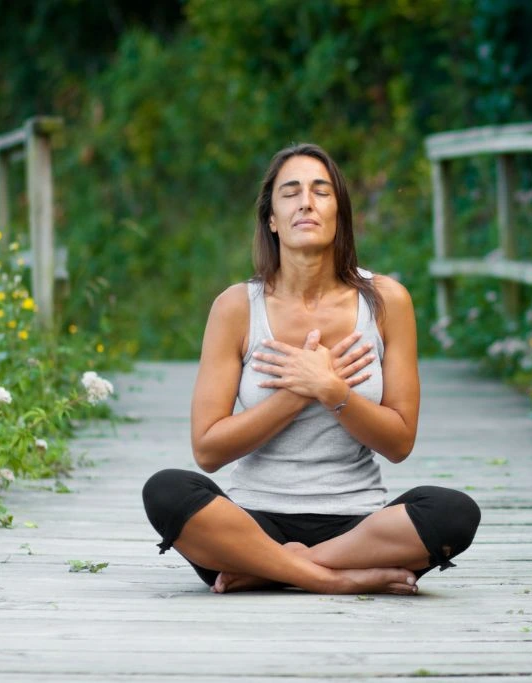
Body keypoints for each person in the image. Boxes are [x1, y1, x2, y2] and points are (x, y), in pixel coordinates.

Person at [142, 143, 481, 595]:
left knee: (455, 513)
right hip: (252, 521)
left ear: (338, 212)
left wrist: (333, 391)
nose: (306, 201)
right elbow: (208, 450)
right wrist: (299, 391)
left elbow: (399, 443)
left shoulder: (386, 302)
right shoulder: (236, 307)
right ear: (271, 218)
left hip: (358, 527)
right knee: (166, 491)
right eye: (291, 192)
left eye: (321, 191)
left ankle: (270, 570)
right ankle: (331, 581)